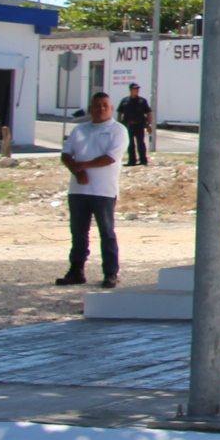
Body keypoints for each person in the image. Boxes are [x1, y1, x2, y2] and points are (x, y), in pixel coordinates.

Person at [54, 92, 127, 288]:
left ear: (111, 109)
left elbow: (110, 158)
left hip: (103, 190)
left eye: (105, 105)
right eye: (97, 105)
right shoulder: (80, 130)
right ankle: (76, 270)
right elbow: (66, 154)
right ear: (90, 109)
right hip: (79, 190)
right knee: (78, 232)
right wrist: (76, 171)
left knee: (107, 232)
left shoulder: (118, 130)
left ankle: (110, 272)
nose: (101, 109)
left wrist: (83, 166)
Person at [115, 82, 152, 166]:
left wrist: (149, 124)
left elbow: (148, 113)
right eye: (135, 89)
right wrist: (119, 124)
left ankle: (143, 160)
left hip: (139, 125)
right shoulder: (125, 101)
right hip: (128, 125)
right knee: (130, 143)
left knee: (140, 143)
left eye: (137, 89)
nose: (137, 90)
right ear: (130, 90)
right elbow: (120, 113)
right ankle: (132, 161)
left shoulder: (142, 101)